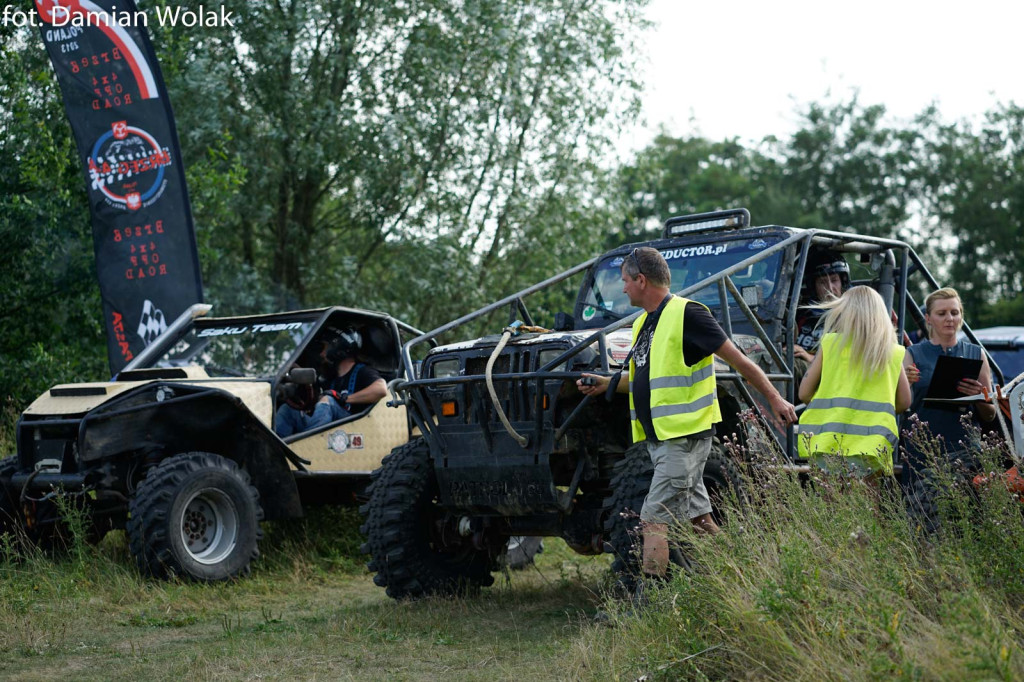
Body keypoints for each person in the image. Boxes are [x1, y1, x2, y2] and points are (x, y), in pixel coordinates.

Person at [577, 247, 797, 582]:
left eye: (625, 281)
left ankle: (651, 601)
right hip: (660, 440)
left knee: (654, 518)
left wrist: (775, 400)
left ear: (641, 280)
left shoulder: (689, 314)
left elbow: (740, 363)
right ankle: (744, 577)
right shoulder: (643, 324)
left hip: (684, 439)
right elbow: (644, 381)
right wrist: (606, 384)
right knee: (702, 521)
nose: (622, 289)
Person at [797, 286, 912, 480]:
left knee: (831, 505)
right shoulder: (892, 352)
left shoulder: (831, 344)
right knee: (869, 505)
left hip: (827, 442)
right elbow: (904, 403)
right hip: (873, 445)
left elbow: (804, 394)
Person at [902, 287, 996, 476]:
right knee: (924, 505)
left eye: (954, 312)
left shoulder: (977, 353)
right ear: (928, 318)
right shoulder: (911, 354)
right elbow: (899, 405)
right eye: (941, 313)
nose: (949, 318)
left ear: (961, 316)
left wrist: (977, 397)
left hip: (966, 450)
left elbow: (990, 415)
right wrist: (905, 382)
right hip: (923, 450)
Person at [275, 329, 388, 437]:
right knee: (288, 409)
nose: (322, 354)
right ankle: (278, 449)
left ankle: (311, 443)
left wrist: (344, 398)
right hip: (330, 429)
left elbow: (381, 389)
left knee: (328, 400)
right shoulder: (329, 378)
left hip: (353, 430)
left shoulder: (363, 371)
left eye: (325, 347)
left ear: (338, 347)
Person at [793, 250, 851, 369]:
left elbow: (848, 361)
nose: (830, 288)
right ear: (813, 287)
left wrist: (809, 357)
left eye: (834, 280)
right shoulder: (800, 314)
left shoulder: (853, 315)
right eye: (823, 282)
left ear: (843, 282)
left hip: (828, 374)